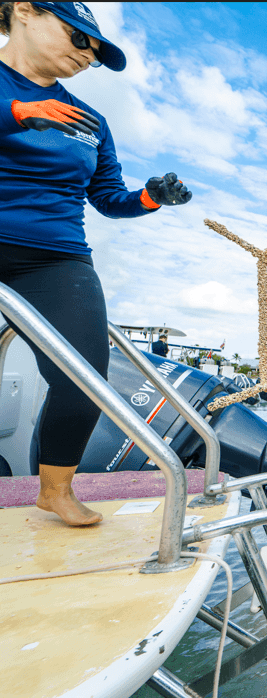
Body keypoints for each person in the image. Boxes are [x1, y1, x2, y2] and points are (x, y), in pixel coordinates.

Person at [0, 2, 192, 526]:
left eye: (97, 53)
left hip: (55, 257)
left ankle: (55, 490)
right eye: (79, 39)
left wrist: (151, 198)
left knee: (84, 377)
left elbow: (108, 198)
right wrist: (17, 114)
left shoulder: (91, 121)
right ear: (24, 10)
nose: (88, 56)